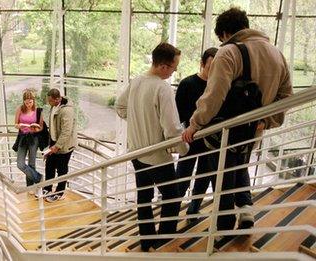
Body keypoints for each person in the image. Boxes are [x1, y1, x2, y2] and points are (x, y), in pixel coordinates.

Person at [182, 7, 293, 231]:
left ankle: (222, 232)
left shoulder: (229, 52)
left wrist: (194, 125)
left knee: (222, 182)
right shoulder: (276, 53)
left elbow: (213, 96)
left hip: (223, 133)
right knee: (240, 170)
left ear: (224, 34)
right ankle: (245, 212)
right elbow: (285, 97)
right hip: (252, 133)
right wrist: (267, 121)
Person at [115, 42, 189, 252]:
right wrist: (185, 151)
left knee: (144, 197)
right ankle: (164, 240)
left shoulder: (137, 81)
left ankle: (147, 241)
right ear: (164, 66)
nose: (174, 72)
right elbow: (173, 129)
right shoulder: (162, 88)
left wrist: (140, 120)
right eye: (174, 68)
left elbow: (120, 106)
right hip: (157, 157)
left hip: (137, 154)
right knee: (173, 197)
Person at [175, 47, 218, 223]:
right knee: (182, 178)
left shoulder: (219, 86)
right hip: (190, 139)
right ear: (202, 64)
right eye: (210, 66)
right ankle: (172, 212)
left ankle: (193, 212)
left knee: (203, 178)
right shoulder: (187, 84)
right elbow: (179, 112)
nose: (214, 71)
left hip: (210, 141)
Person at [43, 88, 78, 203]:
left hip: (64, 145)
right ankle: (47, 189)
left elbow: (66, 132)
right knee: (49, 166)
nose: (49, 103)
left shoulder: (67, 111)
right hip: (54, 142)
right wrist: (51, 144)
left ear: (57, 99)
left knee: (61, 170)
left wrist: (57, 146)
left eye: (51, 101)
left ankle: (59, 193)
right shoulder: (55, 106)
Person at [14, 90, 44, 195]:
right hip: (22, 137)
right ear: (23, 102)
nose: (28, 105)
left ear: (33, 101)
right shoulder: (19, 109)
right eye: (26, 103)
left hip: (33, 139)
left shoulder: (38, 111)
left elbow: (41, 127)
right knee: (20, 164)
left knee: (32, 164)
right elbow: (15, 124)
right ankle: (39, 178)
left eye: (30, 102)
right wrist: (18, 126)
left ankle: (31, 187)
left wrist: (36, 129)